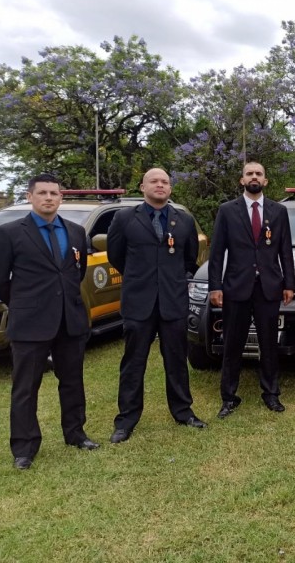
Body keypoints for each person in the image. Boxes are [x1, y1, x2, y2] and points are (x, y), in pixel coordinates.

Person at [0, 173, 99, 470]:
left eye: (54, 193)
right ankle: (24, 447)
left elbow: (76, 272)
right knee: (26, 387)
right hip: (30, 323)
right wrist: (25, 303)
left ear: (61, 197)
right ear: (30, 197)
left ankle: (75, 434)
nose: (49, 197)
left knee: (72, 381)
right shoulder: (10, 232)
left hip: (69, 321)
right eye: (43, 193)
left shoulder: (76, 232)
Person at [107, 168, 207, 443]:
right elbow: (117, 257)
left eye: (165, 182)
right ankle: (126, 420)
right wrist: (143, 278)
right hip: (139, 303)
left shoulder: (184, 220)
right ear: (142, 187)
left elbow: (188, 259)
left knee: (176, 361)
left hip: (173, 302)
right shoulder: (125, 218)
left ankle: (183, 412)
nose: (160, 185)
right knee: (133, 363)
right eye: (154, 181)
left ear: (171, 189)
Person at [209, 160, 295, 417]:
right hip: (236, 287)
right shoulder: (227, 210)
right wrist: (215, 287)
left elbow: (284, 251)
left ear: (265, 181)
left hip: (268, 287)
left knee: (268, 344)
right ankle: (229, 397)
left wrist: (288, 283)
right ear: (242, 180)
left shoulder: (278, 211)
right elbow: (216, 253)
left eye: (259, 173)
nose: (254, 177)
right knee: (233, 343)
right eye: (249, 173)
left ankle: (271, 394)